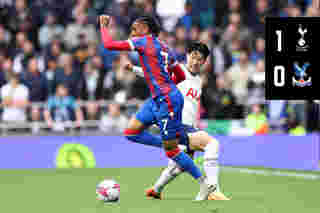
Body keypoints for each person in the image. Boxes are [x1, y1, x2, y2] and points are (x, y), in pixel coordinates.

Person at [100, 15, 214, 200]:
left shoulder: (143, 41)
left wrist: (104, 27)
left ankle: (204, 183)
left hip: (167, 100)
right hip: (158, 99)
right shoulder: (164, 47)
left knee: (172, 152)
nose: (132, 32)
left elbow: (108, 44)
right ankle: (174, 142)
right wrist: (166, 85)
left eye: (135, 28)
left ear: (146, 27)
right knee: (131, 133)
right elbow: (180, 75)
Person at [127, 42, 230, 200]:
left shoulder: (199, 80)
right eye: (193, 57)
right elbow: (154, 75)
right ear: (187, 55)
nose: (196, 62)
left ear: (204, 61)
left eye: (200, 59)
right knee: (212, 144)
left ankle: (156, 189)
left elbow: (192, 105)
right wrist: (133, 69)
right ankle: (213, 190)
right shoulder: (178, 70)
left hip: (189, 127)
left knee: (179, 165)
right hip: (177, 125)